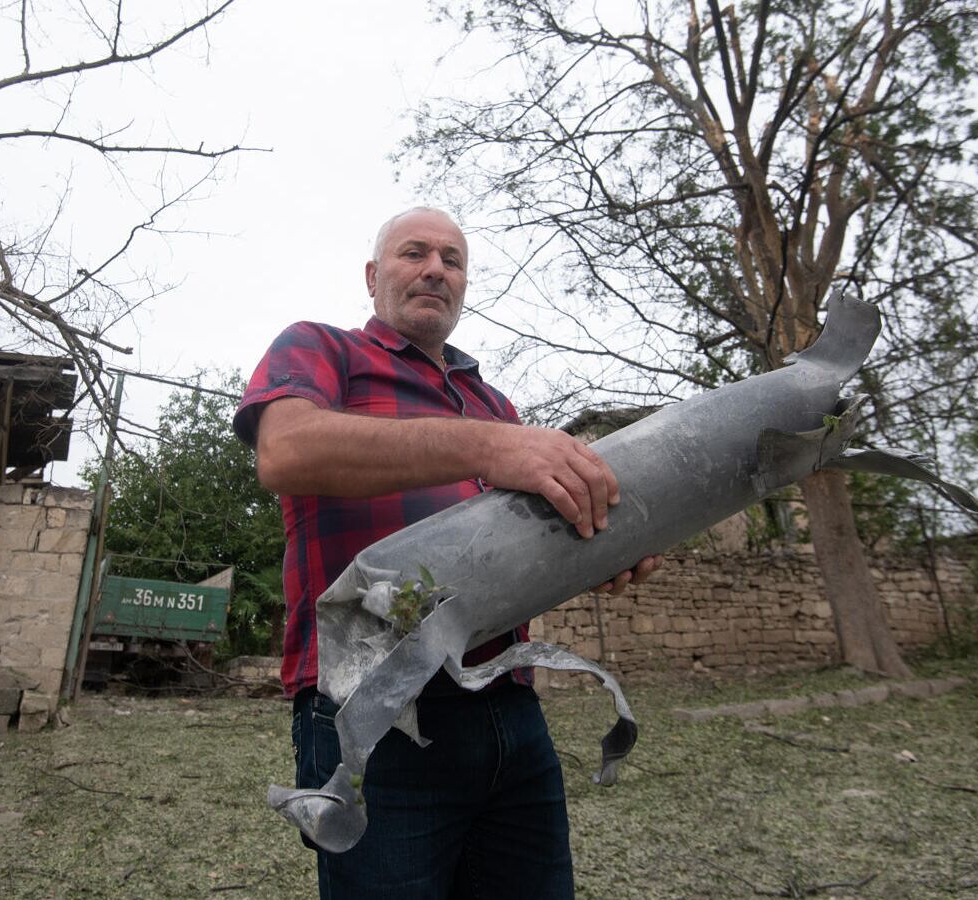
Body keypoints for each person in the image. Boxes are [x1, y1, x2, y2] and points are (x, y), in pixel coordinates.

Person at [233, 207, 661, 899]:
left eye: (453, 261)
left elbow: (526, 553)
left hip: (509, 707)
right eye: (415, 253)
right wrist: (489, 445)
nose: (436, 269)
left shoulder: (494, 402)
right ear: (374, 277)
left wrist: (600, 547)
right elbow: (285, 449)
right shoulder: (321, 348)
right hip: (368, 707)